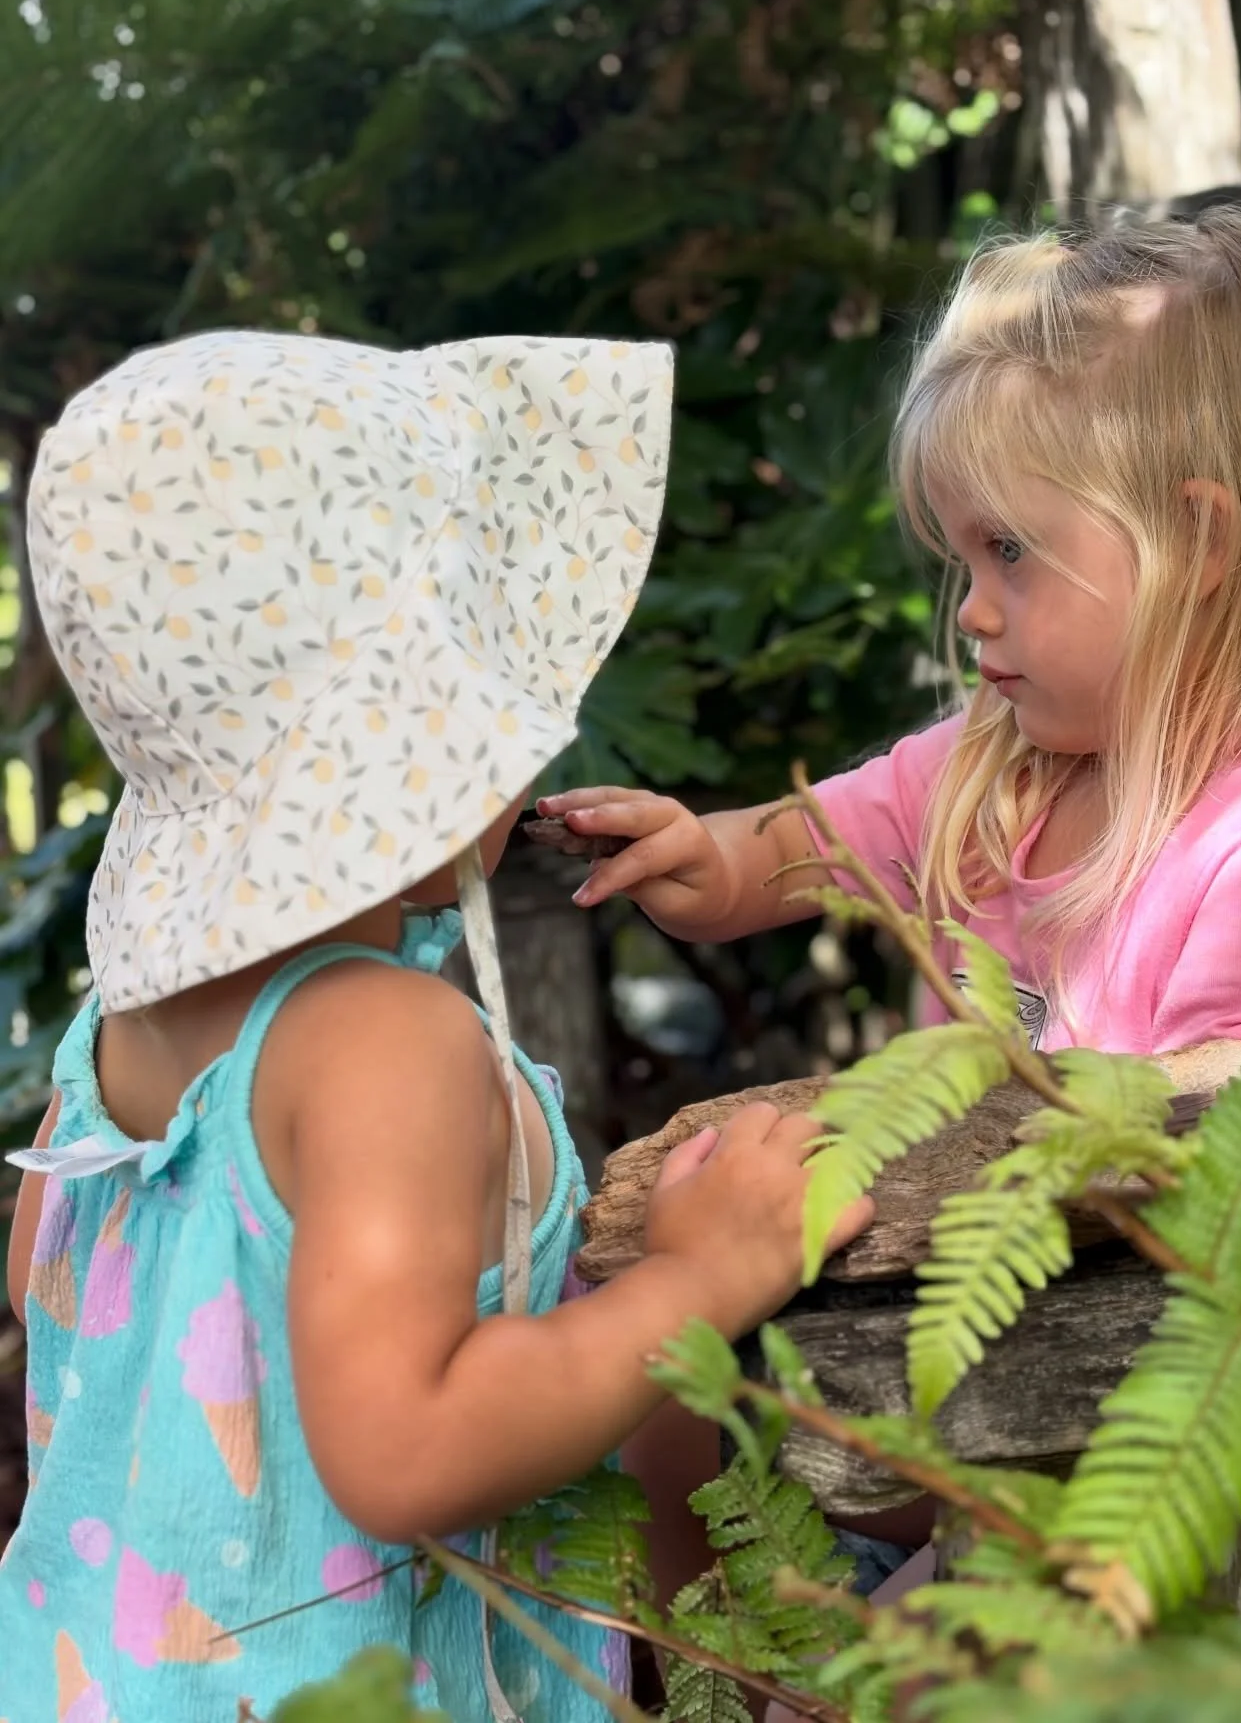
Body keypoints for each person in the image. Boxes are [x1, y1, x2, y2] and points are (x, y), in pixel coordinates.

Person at [543, 207, 1241, 1640]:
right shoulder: (997, 767)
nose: (972, 611)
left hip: (1145, 1472)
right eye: (961, 559)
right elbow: (810, 844)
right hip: (962, 1385)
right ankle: (705, 1660)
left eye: (1012, 554)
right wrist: (700, 858)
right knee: (640, 1335)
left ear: (1198, 541)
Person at [0, 329, 871, 1722]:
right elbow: (401, 1451)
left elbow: (97, 1333)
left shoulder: (116, 1035)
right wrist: (700, 1282)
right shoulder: (381, 1043)